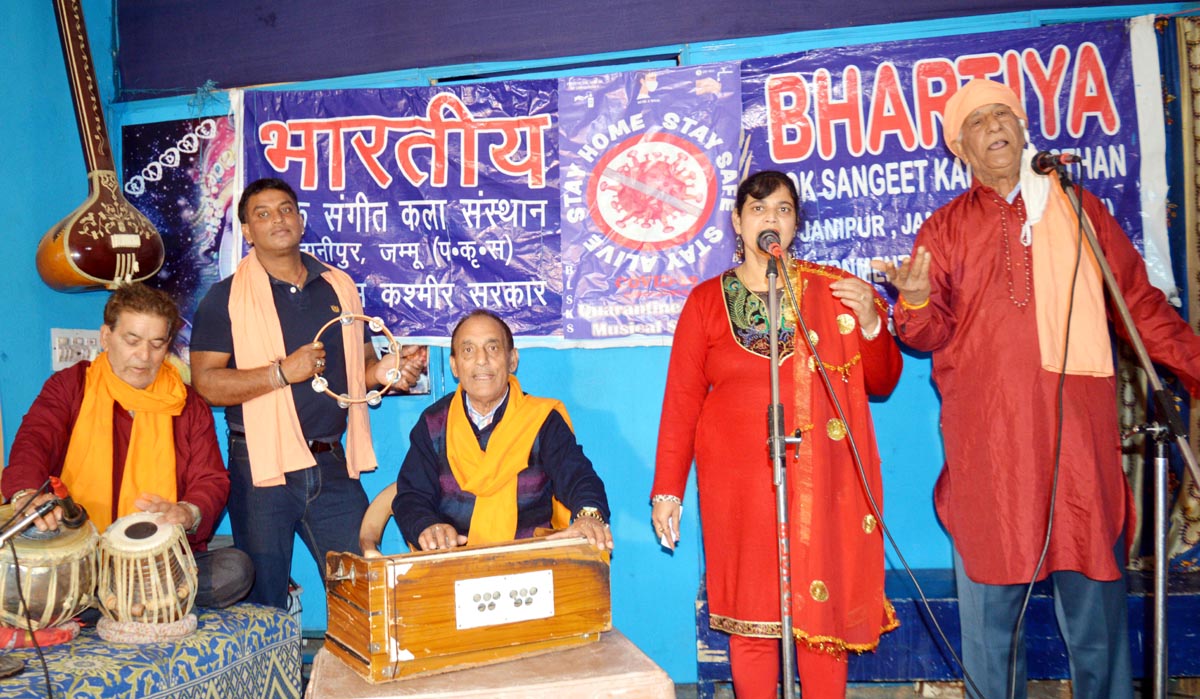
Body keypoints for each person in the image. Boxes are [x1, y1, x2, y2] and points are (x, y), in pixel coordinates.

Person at [873, 79, 1200, 699]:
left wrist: (1194, 364)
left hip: (1078, 442)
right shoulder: (944, 228)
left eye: (1003, 115)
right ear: (960, 149)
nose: (994, 126)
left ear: (1023, 130)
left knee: (1096, 618)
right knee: (993, 628)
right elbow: (926, 332)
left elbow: (1137, 303)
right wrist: (912, 301)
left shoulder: (1079, 208)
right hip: (991, 448)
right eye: (977, 122)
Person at [651, 170, 903, 699]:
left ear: (795, 224)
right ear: (738, 222)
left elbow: (882, 382)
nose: (772, 219)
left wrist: (872, 324)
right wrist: (668, 490)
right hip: (738, 486)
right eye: (759, 209)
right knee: (751, 622)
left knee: (820, 618)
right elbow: (681, 401)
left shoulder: (831, 292)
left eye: (784, 210)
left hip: (820, 480)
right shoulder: (705, 301)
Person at [189, 177, 426, 609]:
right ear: (247, 232)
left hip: (330, 462)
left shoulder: (339, 287)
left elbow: (360, 371)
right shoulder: (224, 299)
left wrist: (385, 372)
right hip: (260, 468)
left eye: (285, 209)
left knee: (364, 590)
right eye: (262, 214)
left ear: (300, 221)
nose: (277, 219)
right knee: (263, 600)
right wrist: (281, 373)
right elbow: (206, 383)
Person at [2, 283, 251, 609]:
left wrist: (187, 512)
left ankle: (107, 602)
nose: (144, 356)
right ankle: (127, 601)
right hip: (79, 559)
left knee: (235, 570)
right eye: (132, 341)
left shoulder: (187, 404)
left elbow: (211, 479)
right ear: (106, 336)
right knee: (19, 570)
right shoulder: (71, 386)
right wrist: (26, 496)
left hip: (157, 563)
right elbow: (34, 441)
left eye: (157, 344)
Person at [392, 309, 612, 552]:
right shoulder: (433, 423)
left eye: (493, 348)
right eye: (468, 350)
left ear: (512, 360)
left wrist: (589, 515)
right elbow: (412, 497)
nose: (481, 360)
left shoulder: (541, 420)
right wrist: (428, 526)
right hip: (455, 559)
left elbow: (578, 477)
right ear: (454, 366)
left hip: (530, 558)